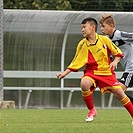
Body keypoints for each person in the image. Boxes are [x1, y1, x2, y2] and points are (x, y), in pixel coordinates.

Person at [56, 17, 133, 123]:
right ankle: (92, 110)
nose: (82, 30)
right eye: (81, 28)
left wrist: (115, 61)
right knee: (84, 83)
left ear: (92, 27)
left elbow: (117, 53)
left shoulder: (106, 39)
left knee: (119, 93)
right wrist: (65, 73)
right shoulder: (82, 44)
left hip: (108, 73)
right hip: (91, 72)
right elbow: (76, 61)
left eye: (84, 27)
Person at [99, 14, 133, 103]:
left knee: (119, 92)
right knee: (118, 93)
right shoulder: (106, 40)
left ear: (111, 26)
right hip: (128, 68)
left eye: (103, 26)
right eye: (101, 27)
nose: (101, 29)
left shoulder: (120, 35)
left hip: (131, 68)